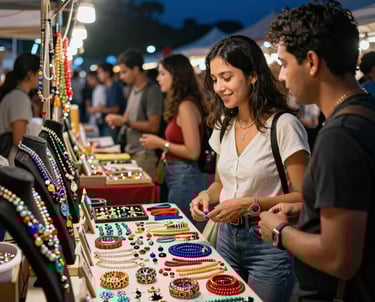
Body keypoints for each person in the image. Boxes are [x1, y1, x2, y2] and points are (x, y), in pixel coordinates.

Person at [259, 1, 375, 301]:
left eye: (284, 63)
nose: (282, 77)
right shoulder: (364, 112)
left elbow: (340, 259)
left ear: (311, 61)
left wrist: (279, 232)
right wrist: (308, 210)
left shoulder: (341, 135)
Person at [190, 35, 310, 302]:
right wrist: (204, 197)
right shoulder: (224, 124)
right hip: (225, 237)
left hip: (267, 240)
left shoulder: (284, 125)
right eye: (215, 79)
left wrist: (249, 204)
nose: (219, 87)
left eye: (227, 77)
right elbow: (220, 184)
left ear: (253, 75)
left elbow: (305, 196)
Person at [139, 54, 207, 224]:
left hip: (185, 176)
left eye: (162, 74)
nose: (158, 78)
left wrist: (161, 144)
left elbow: (193, 151)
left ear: (176, 76)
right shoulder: (180, 104)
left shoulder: (186, 106)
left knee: (179, 227)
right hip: (177, 174)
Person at [105, 49, 164, 179]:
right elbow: (127, 117)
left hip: (145, 155)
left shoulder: (152, 91)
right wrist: (117, 119)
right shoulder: (133, 88)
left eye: (124, 72)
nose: (121, 76)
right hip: (131, 151)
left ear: (136, 69)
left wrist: (124, 122)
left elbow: (154, 126)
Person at [0, 52, 39, 165]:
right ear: (30, 74)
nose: (40, 78)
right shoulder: (19, 98)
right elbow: (19, 140)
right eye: (38, 74)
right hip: (12, 162)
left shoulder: (16, 95)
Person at [93, 62, 126, 141]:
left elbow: (115, 109)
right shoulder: (107, 87)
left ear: (107, 73)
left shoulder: (114, 87)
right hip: (108, 124)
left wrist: (100, 109)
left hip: (113, 125)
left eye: (100, 72)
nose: (98, 75)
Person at [85, 70, 106, 136]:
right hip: (96, 118)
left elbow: (101, 105)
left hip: (98, 119)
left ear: (94, 78)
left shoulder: (100, 89)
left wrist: (91, 110)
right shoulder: (97, 88)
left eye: (89, 80)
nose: (88, 82)